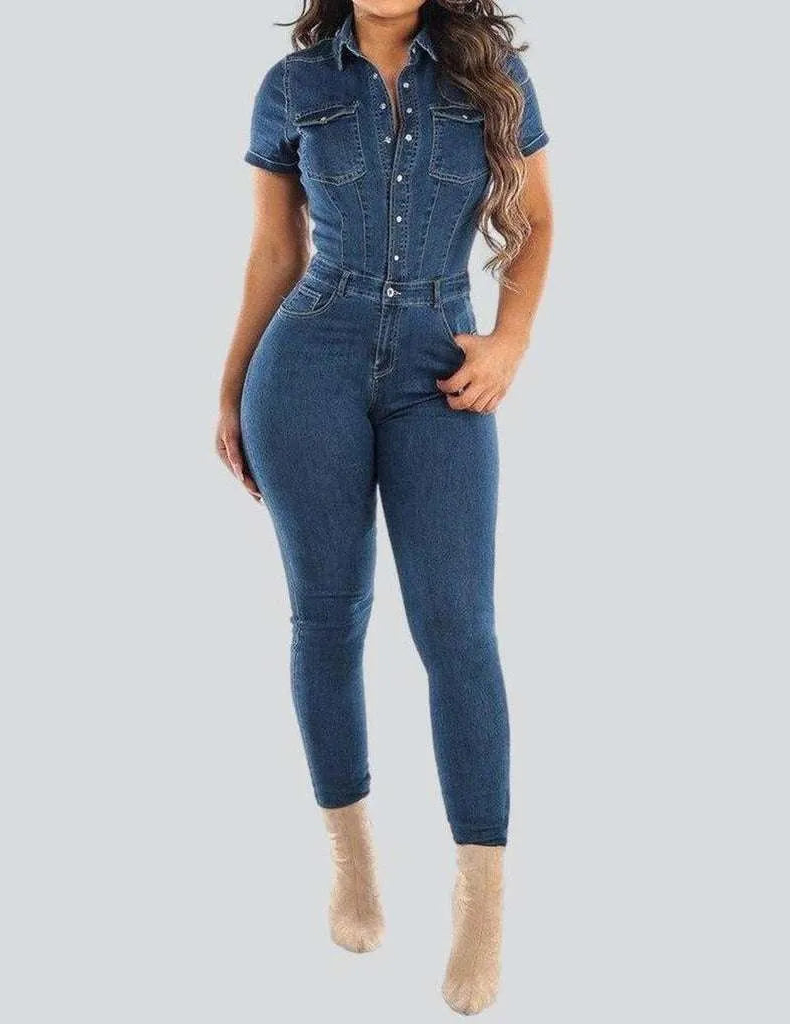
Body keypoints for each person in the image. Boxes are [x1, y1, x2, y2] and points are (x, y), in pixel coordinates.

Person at [215, 0, 552, 1013]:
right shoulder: (294, 86)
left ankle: (480, 901)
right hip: (306, 362)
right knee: (328, 617)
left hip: (441, 366)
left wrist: (509, 341)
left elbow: (536, 222)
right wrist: (230, 391)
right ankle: (352, 856)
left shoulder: (490, 74)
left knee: (459, 630)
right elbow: (274, 252)